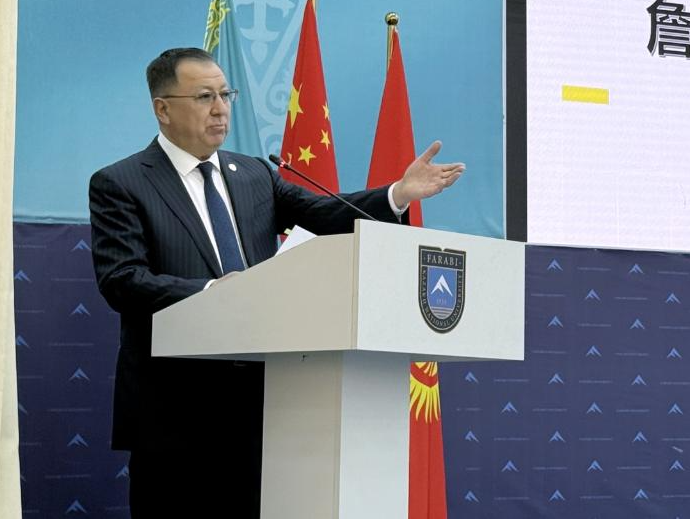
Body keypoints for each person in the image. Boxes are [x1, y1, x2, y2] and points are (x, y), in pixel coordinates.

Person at [88, 47, 464, 518]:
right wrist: (211, 294)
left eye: (225, 94)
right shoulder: (121, 183)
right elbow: (122, 280)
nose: (220, 109)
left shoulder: (252, 174)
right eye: (204, 97)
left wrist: (397, 194)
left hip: (265, 408)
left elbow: (325, 214)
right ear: (163, 109)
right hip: (174, 411)